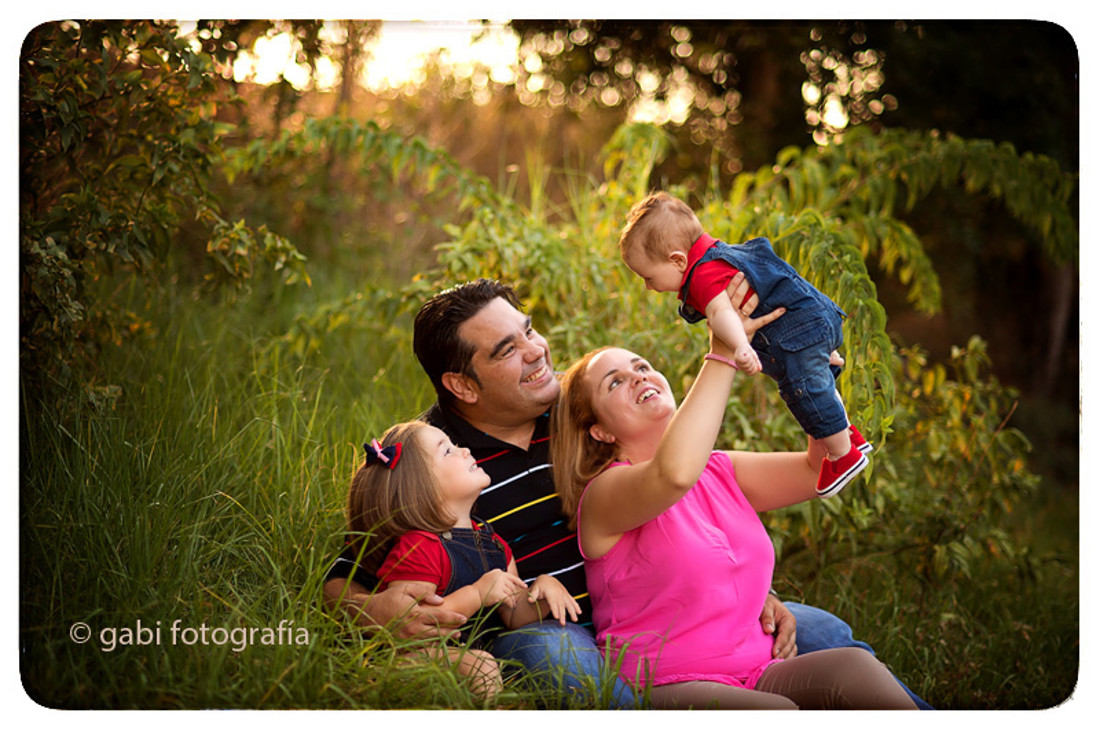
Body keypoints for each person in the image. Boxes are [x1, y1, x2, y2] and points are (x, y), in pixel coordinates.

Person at [322, 278, 932, 709]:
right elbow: (346, 574)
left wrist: (738, 581)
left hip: (679, 608)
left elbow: (685, 478)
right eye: (508, 350)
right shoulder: (437, 456)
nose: (537, 352)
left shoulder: (582, 409)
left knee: (827, 639)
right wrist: (377, 612)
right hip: (555, 623)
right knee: (562, 663)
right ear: (462, 383)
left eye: (528, 331)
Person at [550, 340, 917, 709]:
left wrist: (812, 379)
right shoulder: (604, 494)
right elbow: (671, 475)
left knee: (854, 669)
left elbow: (819, 471)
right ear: (600, 431)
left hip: (757, 671)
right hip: (663, 684)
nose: (637, 377)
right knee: (778, 713)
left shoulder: (719, 470)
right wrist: (724, 352)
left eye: (641, 366)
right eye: (614, 382)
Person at [619, 191, 870, 498]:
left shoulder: (702, 274)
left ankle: (843, 455)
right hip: (814, 314)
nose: (648, 286)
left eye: (648, 277)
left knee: (800, 387)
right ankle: (847, 435)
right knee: (818, 383)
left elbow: (722, 313)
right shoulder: (729, 254)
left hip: (800, 330)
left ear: (677, 260)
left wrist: (740, 346)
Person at [344, 420, 580, 699]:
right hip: (417, 658)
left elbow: (514, 614)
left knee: (485, 666)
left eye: (455, 445)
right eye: (447, 451)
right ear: (421, 489)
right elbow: (413, 624)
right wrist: (478, 593)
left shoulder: (495, 545)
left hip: (474, 657)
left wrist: (542, 592)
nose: (464, 450)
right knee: (481, 666)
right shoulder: (419, 547)